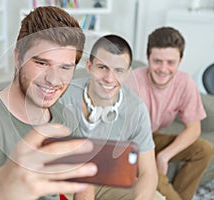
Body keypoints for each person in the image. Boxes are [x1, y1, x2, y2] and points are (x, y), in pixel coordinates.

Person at [0, 6, 99, 200]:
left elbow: (84, 180)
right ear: (18, 57)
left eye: (65, 67)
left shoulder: (65, 117)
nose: (54, 79)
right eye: (41, 63)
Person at [60, 34, 162, 199]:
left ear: (128, 73)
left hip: (109, 180)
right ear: (89, 66)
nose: (109, 78)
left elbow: (148, 172)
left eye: (119, 71)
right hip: (67, 180)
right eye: (102, 67)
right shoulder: (63, 97)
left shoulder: (136, 110)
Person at [134, 26, 213, 200]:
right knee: (155, 176)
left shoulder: (184, 82)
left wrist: (164, 156)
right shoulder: (133, 83)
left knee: (204, 150)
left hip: (153, 137)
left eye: (170, 62)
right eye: (157, 61)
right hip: (130, 145)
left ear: (180, 60)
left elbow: (194, 128)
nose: (163, 69)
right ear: (148, 57)